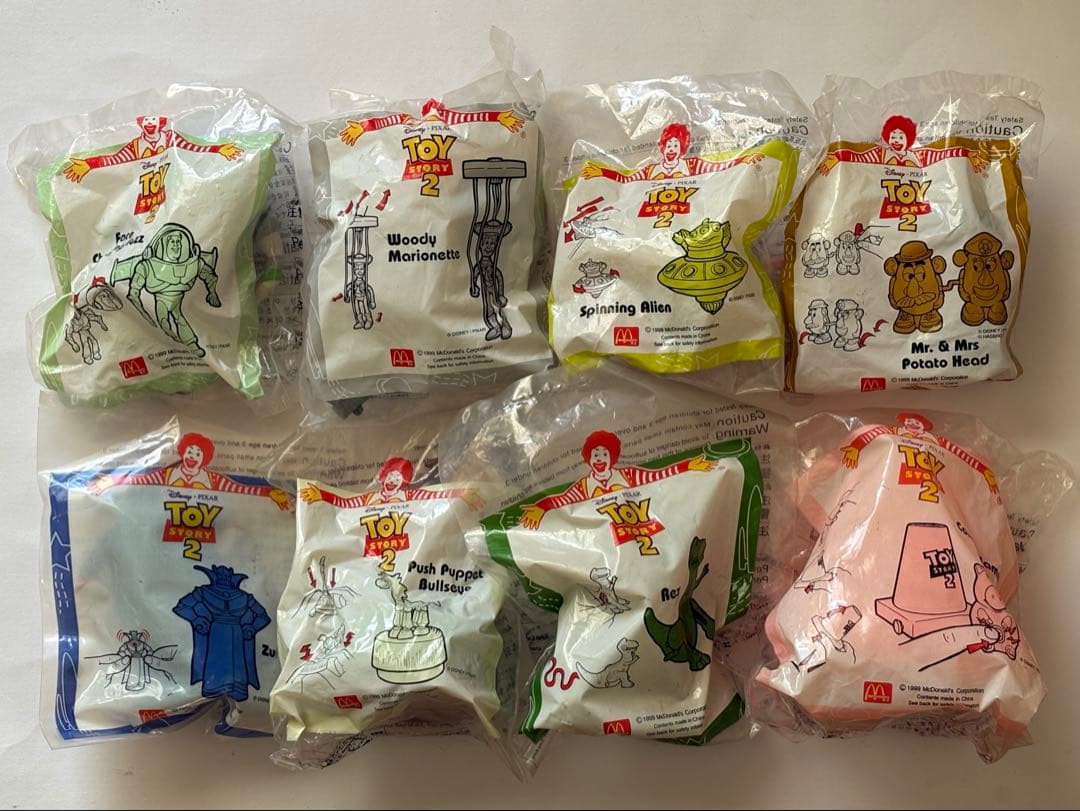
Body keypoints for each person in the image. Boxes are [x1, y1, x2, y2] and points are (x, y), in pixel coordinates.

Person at [518, 430, 716, 529]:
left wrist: (687, 466)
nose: (599, 459)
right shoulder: (583, 487)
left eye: (604, 454)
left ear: (612, 458)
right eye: (595, 454)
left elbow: (658, 476)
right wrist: (541, 507)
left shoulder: (629, 475)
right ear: (588, 459)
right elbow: (561, 500)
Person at [86, 432, 291, 509]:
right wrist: (112, 481)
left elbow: (242, 490)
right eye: (190, 451)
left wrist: (270, 492)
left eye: (198, 453)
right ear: (183, 453)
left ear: (204, 459)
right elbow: (139, 480)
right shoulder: (168, 475)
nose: (192, 456)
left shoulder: (214, 480)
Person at [62, 116, 242, 183]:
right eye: (146, 121)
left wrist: (218, 149)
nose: (149, 124)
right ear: (142, 124)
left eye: (153, 121)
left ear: (161, 124)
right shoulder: (135, 146)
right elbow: (114, 160)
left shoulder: (170, 138)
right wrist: (89, 164)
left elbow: (193, 148)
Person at [580, 122, 763, 182]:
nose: (671, 149)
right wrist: (602, 172)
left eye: (676, 146)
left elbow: (720, 168)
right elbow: (626, 180)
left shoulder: (693, 166)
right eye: (669, 145)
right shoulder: (650, 171)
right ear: (663, 147)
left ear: (682, 149)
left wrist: (744, 160)